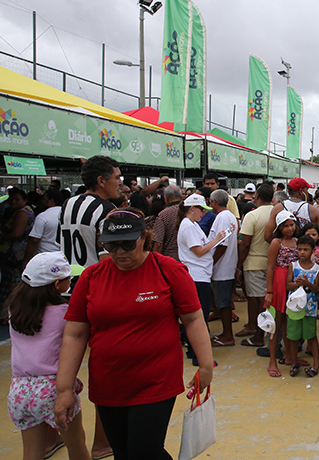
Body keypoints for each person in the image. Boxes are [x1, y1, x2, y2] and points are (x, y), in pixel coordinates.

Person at [55, 207, 214, 459]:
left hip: (156, 380)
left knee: (144, 451)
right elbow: (74, 334)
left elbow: (193, 319)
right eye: (111, 246)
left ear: (144, 237)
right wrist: (64, 389)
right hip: (108, 383)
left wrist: (205, 365)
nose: (119, 252)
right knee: (123, 452)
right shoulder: (91, 277)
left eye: (127, 244)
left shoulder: (169, 270)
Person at [56, 155, 121, 459]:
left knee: (55, 368)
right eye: (117, 177)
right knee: (105, 367)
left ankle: (49, 438)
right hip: (96, 289)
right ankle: (101, 442)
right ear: (101, 181)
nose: (120, 182)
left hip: (66, 290)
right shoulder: (107, 211)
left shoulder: (68, 204)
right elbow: (112, 254)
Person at [8, 252, 90, 460]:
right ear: (56, 286)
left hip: (19, 390)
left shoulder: (14, 311)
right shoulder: (65, 313)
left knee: (32, 452)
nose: (71, 281)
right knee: (77, 445)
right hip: (53, 389)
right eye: (68, 278)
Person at [177, 194, 230, 366]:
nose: (204, 214)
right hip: (196, 276)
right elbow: (199, 251)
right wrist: (217, 239)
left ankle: (194, 351)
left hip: (200, 275)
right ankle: (196, 353)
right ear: (192, 208)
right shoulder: (188, 226)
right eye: (201, 210)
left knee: (199, 316)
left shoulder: (193, 225)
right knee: (199, 317)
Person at [236, 184, 274, 347]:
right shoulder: (276, 213)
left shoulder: (252, 215)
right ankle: (256, 327)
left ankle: (259, 335)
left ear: (256, 195)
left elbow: (245, 244)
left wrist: (238, 266)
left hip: (253, 262)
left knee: (258, 300)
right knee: (264, 299)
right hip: (272, 262)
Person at [265, 211, 300, 377]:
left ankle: (290, 357)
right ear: (279, 227)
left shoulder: (297, 242)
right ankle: (272, 360)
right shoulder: (276, 243)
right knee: (276, 323)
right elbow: (270, 267)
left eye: (291, 225)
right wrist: (269, 291)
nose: (289, 228)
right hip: (279, 282)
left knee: (290, 321)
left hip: (292, 283)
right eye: (285, 226)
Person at [286, 235, 319, 378]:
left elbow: (316, 288)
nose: (302, 252)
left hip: (310, 308)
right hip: (294, 308)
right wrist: (297, 284)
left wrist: (307, 283)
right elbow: (288, 285)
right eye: (300, 249)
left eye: (306, 249)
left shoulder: (317, 269)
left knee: (311, 336)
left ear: (313, 250)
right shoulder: (293, 266)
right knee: (293, 336)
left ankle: (316, 363)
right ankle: (294, 362)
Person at [208, 189, 239, 347]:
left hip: (222, 268)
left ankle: (228, 335)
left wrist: (210, 262)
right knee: (222, 302)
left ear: (213, 202)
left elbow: (222, 245)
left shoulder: (222, 217)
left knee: (224, 303)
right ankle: (226, 334)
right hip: (226, 266)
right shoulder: (229, 216)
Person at [0, 188, 35, 312]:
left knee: (11, 283)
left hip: (16, 254)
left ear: (25, 200)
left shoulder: (22, 213)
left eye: (17, 199)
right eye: (11, 199)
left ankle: (7, 312)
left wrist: (3, 237)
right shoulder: (26, 211)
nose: (13, 202)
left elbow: (17, 233)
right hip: (18, 253)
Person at [23, 188, 63, 265]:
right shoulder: (68, 214)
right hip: (63, 257)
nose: (41, 201)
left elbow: (34, 240)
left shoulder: (43, 217)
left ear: (51, 202)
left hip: (45, 258)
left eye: (44, 199)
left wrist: (26, 259)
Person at [152, 184, 183, 259]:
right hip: (187, 257)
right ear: (181, 197)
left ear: (165, 198)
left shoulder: (163, 214)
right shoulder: (189, 211)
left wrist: (155, 260)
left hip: (169, 258)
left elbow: (158, 243)